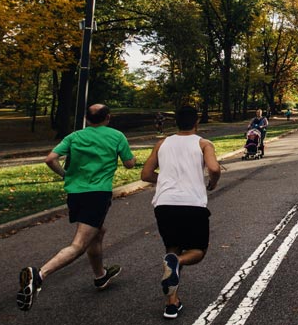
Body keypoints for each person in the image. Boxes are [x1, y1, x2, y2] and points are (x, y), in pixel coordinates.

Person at [17, 104, 136, 312]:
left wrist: (65, 175)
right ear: (108, 117)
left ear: (87, 119)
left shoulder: (74, 137)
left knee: (97, 233)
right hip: (97, 194)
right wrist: (127, 157)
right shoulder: (117, 136)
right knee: (79, 244)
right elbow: (129, 164)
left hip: (75, 194)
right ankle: (39, 275)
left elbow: (50, 159)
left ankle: (100, 276)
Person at [140, 106, 223, 319]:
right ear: (196, 123)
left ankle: (171, 303)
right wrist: (212, 183)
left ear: (176, 123)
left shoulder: (162, 143)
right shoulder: (204, 143)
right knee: (197, 251)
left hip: (164, 204)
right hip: (192, 204)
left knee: (172, 250)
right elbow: (214, 169)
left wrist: (168, 181)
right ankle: (179, 263)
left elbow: (146, 174)